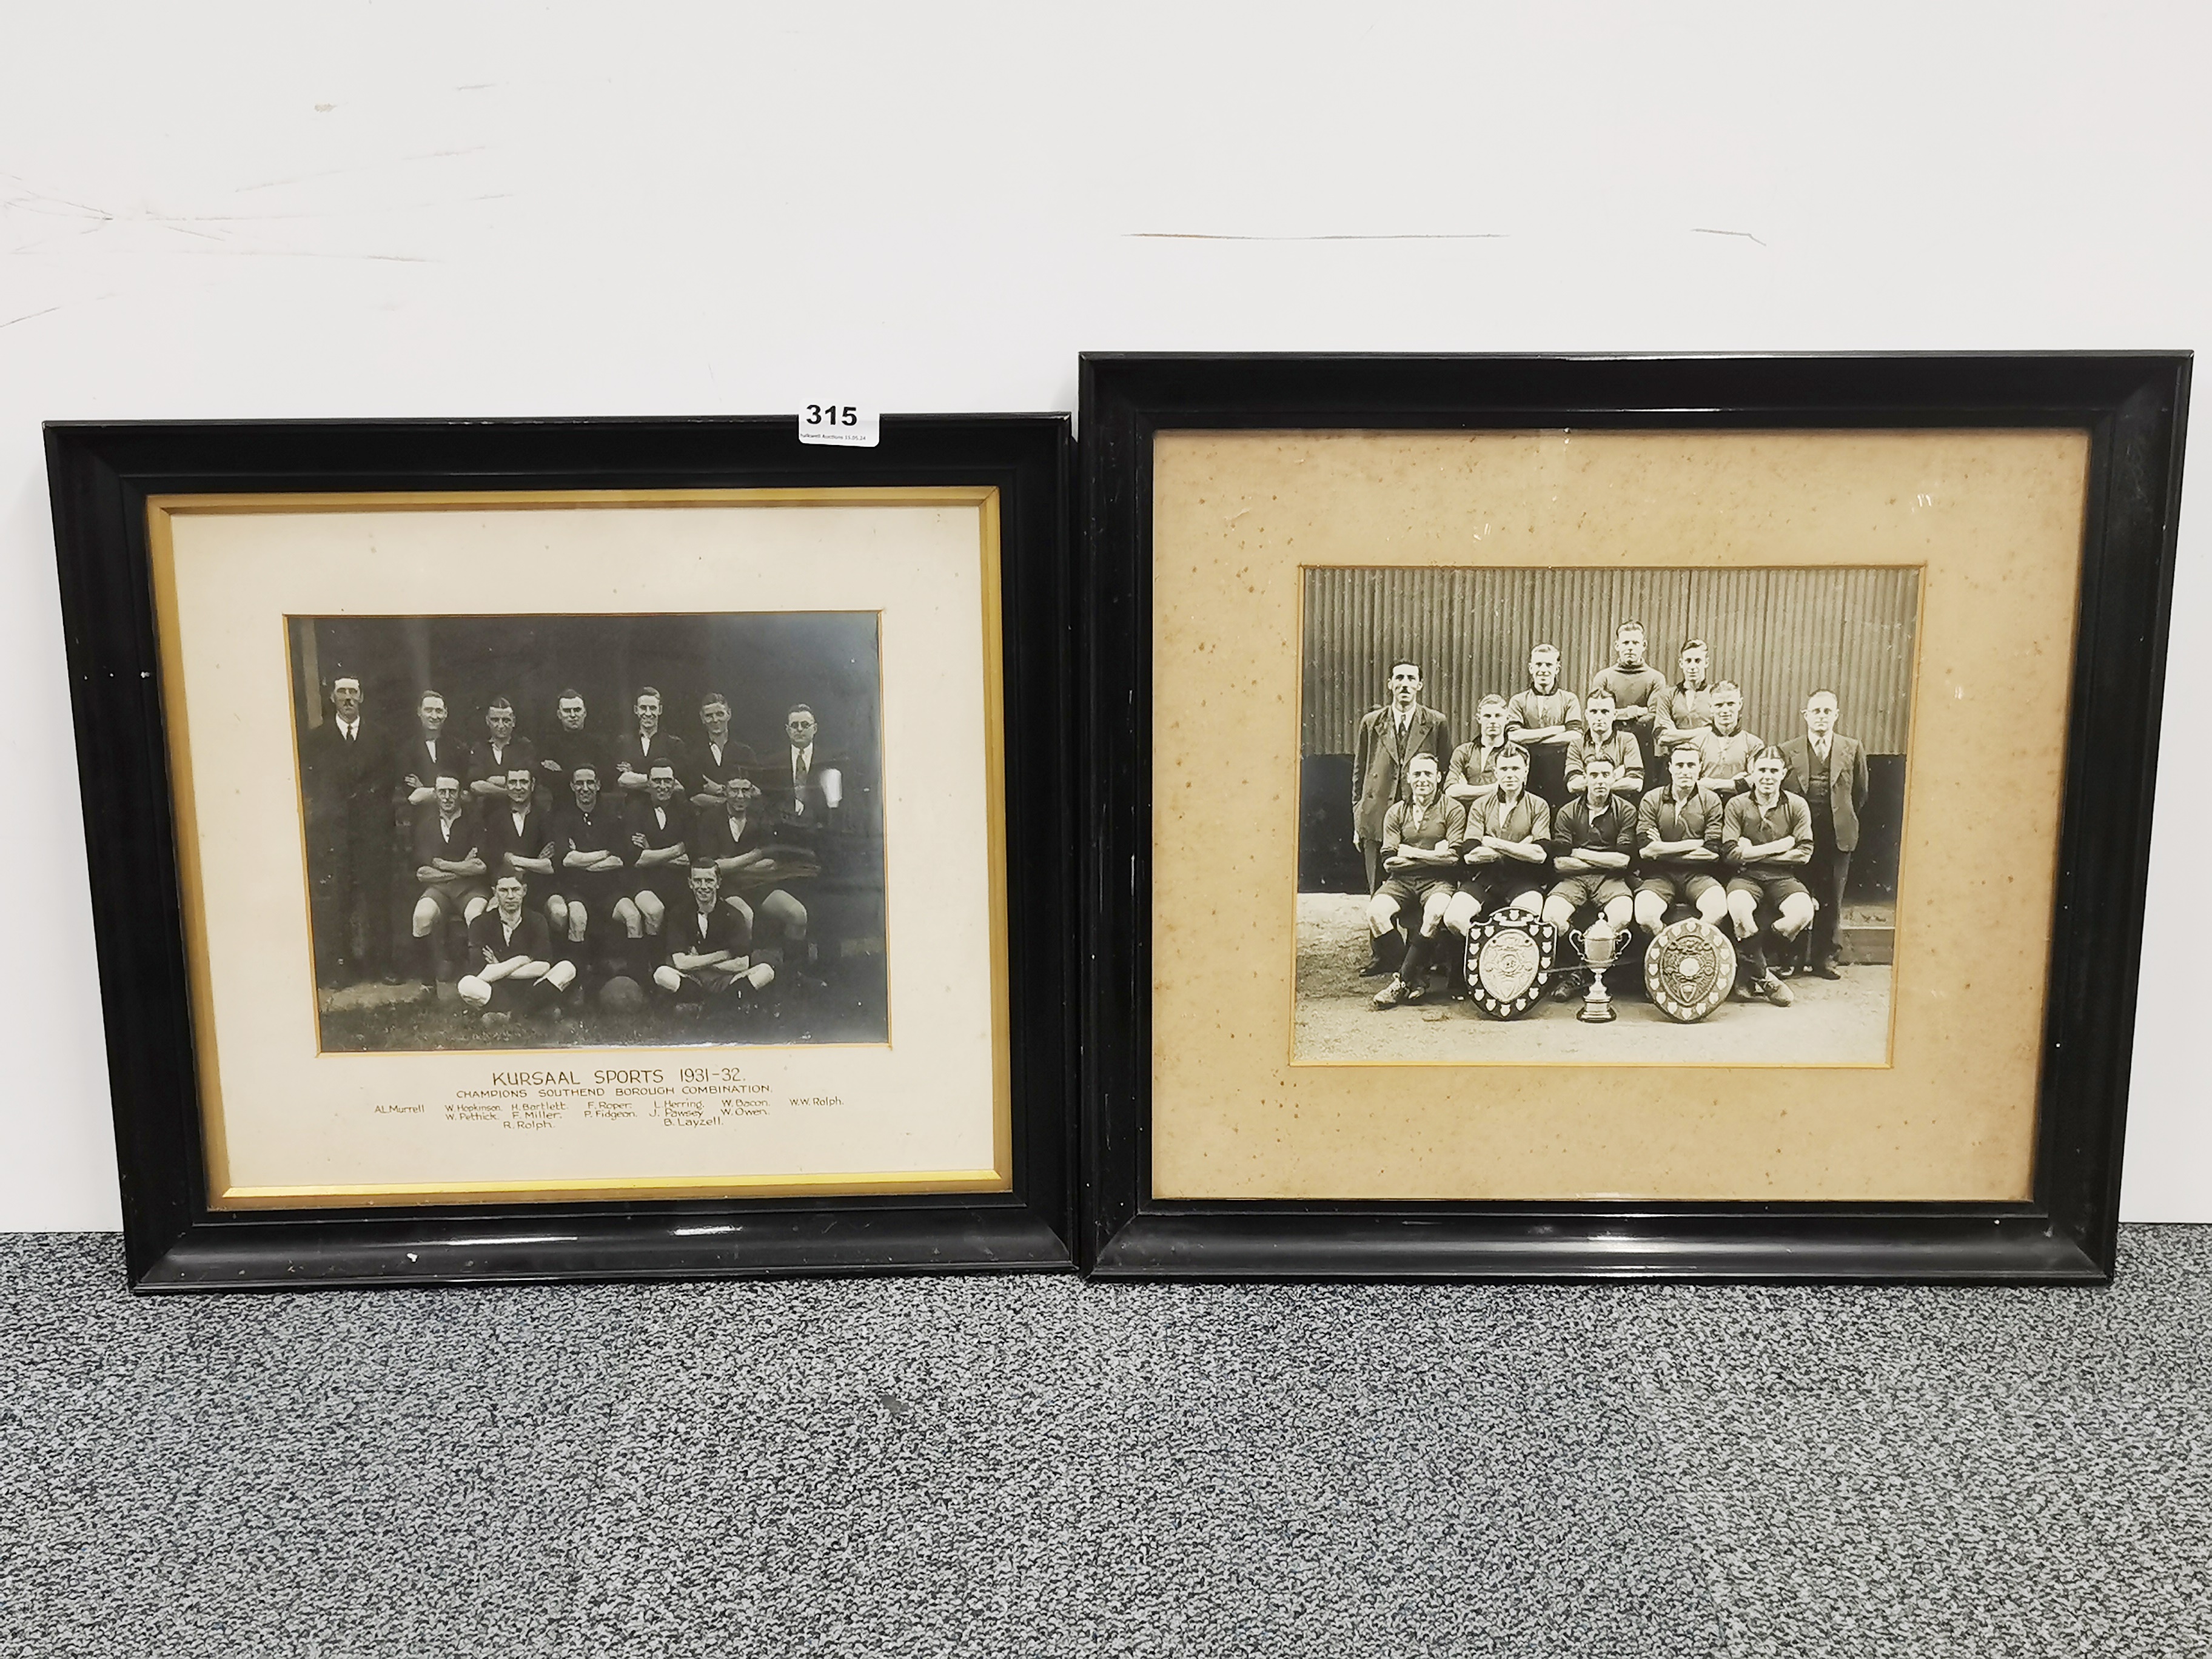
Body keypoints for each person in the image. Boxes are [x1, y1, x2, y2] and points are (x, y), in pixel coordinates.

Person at [300, 673, 390, 987]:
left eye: (354, 692)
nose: (348, 698)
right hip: (335, 831)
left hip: (371, 830)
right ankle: (339, 969)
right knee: (338, 898)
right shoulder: (318, 739)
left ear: (362, 697)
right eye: (342, 693)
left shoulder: (379, 736)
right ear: (333, 698)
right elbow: (311, 781)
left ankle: (383, 965)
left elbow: (386, 781)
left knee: (377, 896)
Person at [1779, 690, 1871, 979]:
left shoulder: (1852, 748)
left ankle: (1825, 960)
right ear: (1805, 715)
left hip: (1836, 836)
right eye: (1816, 711)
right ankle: (1792, 958)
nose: (1821, 716)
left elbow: (1860, 793)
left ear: (1836, 715)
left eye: (1827, 711)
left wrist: (1840, 816)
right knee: (1798, 896)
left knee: (1832, 897)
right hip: (1800, 837)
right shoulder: (1787, 749)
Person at [1365, 754, 1465, 1011]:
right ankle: (1415, 977)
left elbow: (1453, 858)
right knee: (1376, 914)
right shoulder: (1397, 811)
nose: (1423, 780)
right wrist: (1434, 855)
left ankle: (1400, 982)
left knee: (1435, 912)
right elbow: (1389, 861)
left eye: (1428, 774)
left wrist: (1408, 851)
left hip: (1438, 882)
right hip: (1401, 881)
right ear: (1408, 778)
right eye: (1417, 774)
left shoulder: (1452, 809)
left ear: (1438, 777)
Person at [1720, 747, 1817, 1007]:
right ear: (1752, 772)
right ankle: (1766, 977)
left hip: (1783, 877)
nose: (1767, 776)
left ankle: (1748, 969)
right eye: (1762, 770)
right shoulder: (1737, 804)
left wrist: (1751, 851)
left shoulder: (1797, 805)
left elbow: (1804, 854)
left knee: (1803, 913)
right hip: (1746, 877)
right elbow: (1730, 854)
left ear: (1783, 774)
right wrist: (1779, 846)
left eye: (1774, 771)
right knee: (1739, 908)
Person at [694, 769, 816, 973]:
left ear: (752, 791)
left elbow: (771, 863)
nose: (740, 796)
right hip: (724, 888)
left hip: (760, 884)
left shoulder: (761, 817)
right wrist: (754, 855)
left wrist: (731, 864)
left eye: (745, 790)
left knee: (798, 914)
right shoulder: (710, 819)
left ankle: (794, 976)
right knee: (745, 914)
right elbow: (711, 867)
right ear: (724, 791)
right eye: (734, 790)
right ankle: (746, 978)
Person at [1351, 659, 1452, 897]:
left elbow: (1444, 772)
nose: (1405, 684)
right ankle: (1381, 935)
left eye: (1411, 679)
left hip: (1419, 819)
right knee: (1378, 891)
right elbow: (1360, 773)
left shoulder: (1436, 722)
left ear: (1420, 685)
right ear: (1390, 684)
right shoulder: (1372, 723)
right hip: (1376, 816)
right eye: (1399, 678)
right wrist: (1359, 820)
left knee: (1419, 886)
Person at [1542, 751, 1637, 999]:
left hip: (1611, 881)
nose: (1600, 781)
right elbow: (1561, 864)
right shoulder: (1567, 812)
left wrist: (1580, 852)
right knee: (1552, 914)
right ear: (1585, 778)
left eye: (1606, 775)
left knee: (1623, 914)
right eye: (1594, 775)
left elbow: (1623, 861)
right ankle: (1577, 970)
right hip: (1574, 880)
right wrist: (1604, 860)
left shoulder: (1626, 810)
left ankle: (1588, 973)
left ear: (1615, 777)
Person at [1441, 743, 1550, 945]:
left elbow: (1540, 855)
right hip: (1485, 878)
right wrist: (1522, 846)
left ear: (1526, 771)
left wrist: (1493, 843)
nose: (1510, 775)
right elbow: (1471, 855)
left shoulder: (1538, 805)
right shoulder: (1480, 805)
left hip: (1522, 879)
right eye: (1504, 769)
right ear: (1496, 772)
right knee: (1454, 918)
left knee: (1527, 916)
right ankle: (1486, 953)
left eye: (1516, 769)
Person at [546, 763, 640, 976]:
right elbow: (566, 860)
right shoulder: (563, 818)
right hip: (575, 888)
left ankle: (639, 978)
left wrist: (582, 858)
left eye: (590, 783)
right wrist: (604, 853)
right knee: (577, 917)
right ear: (572, 786)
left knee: (633, 916)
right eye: (579, 783)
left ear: (598, 785)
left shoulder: (611, 817)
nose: (585, 788)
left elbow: (621, 859)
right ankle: (576, 981)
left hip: (609, 889)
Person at [1632, 743, 1731, 939]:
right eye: (1680, 765)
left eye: (1691, 765)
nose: (1685, 771)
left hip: (1698, 876)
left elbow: (1712, 852)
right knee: (1645, 915)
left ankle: (1690, 946)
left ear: (1700, 767)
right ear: (1670, 767)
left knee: (1717, 909)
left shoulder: (1711, 800)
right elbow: (1645, 851)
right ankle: (1669, 945)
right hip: (1659, 876)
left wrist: (1662, 849)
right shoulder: (1652, 798)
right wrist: (1694, 844)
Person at [652, 863, 775, 1008]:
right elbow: (680, 963)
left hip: (725, 980)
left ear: (718, 883)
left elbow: (742, 964)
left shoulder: (733, 915)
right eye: (698, 881)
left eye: (709, 881)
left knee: (766, 971)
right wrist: (723, 955)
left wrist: (697, 960)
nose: (703, 886)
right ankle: (718, 1004)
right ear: (690, 884)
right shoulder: (679, 914)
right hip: (694, 979)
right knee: (661, 974)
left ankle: (712, 1005)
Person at [456, 873, 575, 1021]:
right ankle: (532, 1011)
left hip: (532, 986)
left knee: (567, 968)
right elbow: (481, 973)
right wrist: (521, 960)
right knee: (466, 984)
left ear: (524, 891)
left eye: (516, 890)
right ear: (495, 892)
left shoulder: (536, 920)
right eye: (504, 890)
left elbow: (543, 967)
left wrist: (499, 966)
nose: (510, 896)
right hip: (498, 988)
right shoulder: (480, 923)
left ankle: (510, 1015)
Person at [406, 773, 488, 985]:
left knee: (475, 915)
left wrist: (443, 865)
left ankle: (479, 981)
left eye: (453, 792)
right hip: (439, 890)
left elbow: (480, 867)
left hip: (471, 889)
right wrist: (461, 868)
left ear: (461, 794)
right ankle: (427, 984)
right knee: (421, 917)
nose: (447, 797)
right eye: (442, 792)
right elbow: (423, 873)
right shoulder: (426, 825)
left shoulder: (475, 822)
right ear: (435, 794)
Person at [1506, 644, 1583, 806]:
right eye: (1539, 664)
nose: (1543, 670)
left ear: (1557, 668)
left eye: (1549, 665)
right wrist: (1557, 729)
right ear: (1531, 668)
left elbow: (1575, 735)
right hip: (1529, 769)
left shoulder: (1569, 699)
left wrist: (1532, 738)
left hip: (1560, 768)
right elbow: (1514, 735)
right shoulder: (1518, 701)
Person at [625, 760, 692, 944]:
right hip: (642, 881)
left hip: (677, 880)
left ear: (674, 783)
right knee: (654, 910)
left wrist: (651, 851)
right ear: (648, 782)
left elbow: (689, 858)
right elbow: (637, 859)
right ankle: (654, 963)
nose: (662, 786)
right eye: (657, 781)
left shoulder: (685, 810)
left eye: (667, 781)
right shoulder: (635, 810)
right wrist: (677, 849)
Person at [480, 765, 558, 912]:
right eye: (513, 782)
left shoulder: (545, 817)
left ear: (532, 785)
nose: (518, 787)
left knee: (559, 913)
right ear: (506, 786)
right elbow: (495, 858)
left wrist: (514, 859)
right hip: (507, 887)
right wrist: (535, 862)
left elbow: (549, 866)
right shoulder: (495, 820)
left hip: (540, 888)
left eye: (523, 782)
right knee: (492, 911)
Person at [1587, 621, 1669, 757]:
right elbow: (1597, 714)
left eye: (1635, 643)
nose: (1630, 648)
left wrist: (1615, 715)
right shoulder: (1604, 678)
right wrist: (1634, 712)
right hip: (1610, 744)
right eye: (1626, 643)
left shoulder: (1656, 678)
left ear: (1644, 646)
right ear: (1617, 645)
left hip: (1643, 745)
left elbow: (1654, 716)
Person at [1564, 691, 1646, 801]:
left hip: (1619, 808)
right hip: (1585, 807)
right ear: (1587, 715)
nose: (1599, 717)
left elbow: (1636, 783)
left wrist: (1590, 781)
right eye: (1594, 712)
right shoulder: (1577, 744)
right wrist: (1616, 776)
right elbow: (1573, 785)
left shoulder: (1627, 740)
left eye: (1605, 712)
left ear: (1615, 715)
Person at [615, 687, 689, 797]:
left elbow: (678, 786)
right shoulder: (623, 743)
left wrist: (634, 777)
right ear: (636, 710)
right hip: (633, 808)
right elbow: (622, 781)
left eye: (653, 708)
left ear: (660, 710)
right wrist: (661, 780)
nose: (648, 713)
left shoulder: (674, 744)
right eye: (643, 708)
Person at [1692, 682, 1761, 798]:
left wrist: (1713, 784)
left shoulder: (1753, 744)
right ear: (1711, 707)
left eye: (1731, 704)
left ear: (1740, 704)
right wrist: (1735, 784)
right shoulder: (1696, 743)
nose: (1725, 710)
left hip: (1740, 807)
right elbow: (1691, 782)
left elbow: (1755, 780)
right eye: (1719, 705)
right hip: (1704, 805)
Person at [1652, 639, 1718, 760]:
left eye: (1698, 661)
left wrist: (1676, 734)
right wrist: (1705, 731)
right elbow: (1662, 738)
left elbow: (1720, 734)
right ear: (1681, 663)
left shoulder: (1715, 695)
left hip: (1707, 760)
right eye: (1688, 661)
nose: (1692, 666)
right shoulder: (1667, 695)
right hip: (1674, 761)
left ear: (1706, 663)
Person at [1443, 695, 1513, 806]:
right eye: (1487, 716)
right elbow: (1450, 791)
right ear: (1479, 718)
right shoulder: (1463, 751)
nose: (1493, 721)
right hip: (1467, 815)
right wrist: (1495, 788)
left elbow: (1511, 792)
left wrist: (1466, 789)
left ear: (1507, 719)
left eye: (1498, 716)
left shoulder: (1514, 752)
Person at [689, 692, 754, 809]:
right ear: (702, 718)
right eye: (709, 716)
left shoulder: (745, 753)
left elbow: (754, 793)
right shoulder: (694, 754)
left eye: (720, 714)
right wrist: (730, 798)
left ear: (729, 714)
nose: (715, 720)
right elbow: (693, 797)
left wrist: (720, 791)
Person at [539, 689, 606, 802]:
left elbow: (606, 777)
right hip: (560, 805)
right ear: (559, 715)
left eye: (577, 710)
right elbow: (547, 779)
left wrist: (562, 773)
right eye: (567, 711)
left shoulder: (599, 743)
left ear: (585, 713)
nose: (573, 715)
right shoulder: (549, 744)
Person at [468, 698, 538, 801]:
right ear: (487, 721)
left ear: (514, 722)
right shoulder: (479, 748)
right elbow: (475, 786)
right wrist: (509, 792)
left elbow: (529, 782)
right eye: (495, 720)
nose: (501, 726)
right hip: (487, 812)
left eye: (506, 720)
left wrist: (490, 782)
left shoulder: (524, 747)